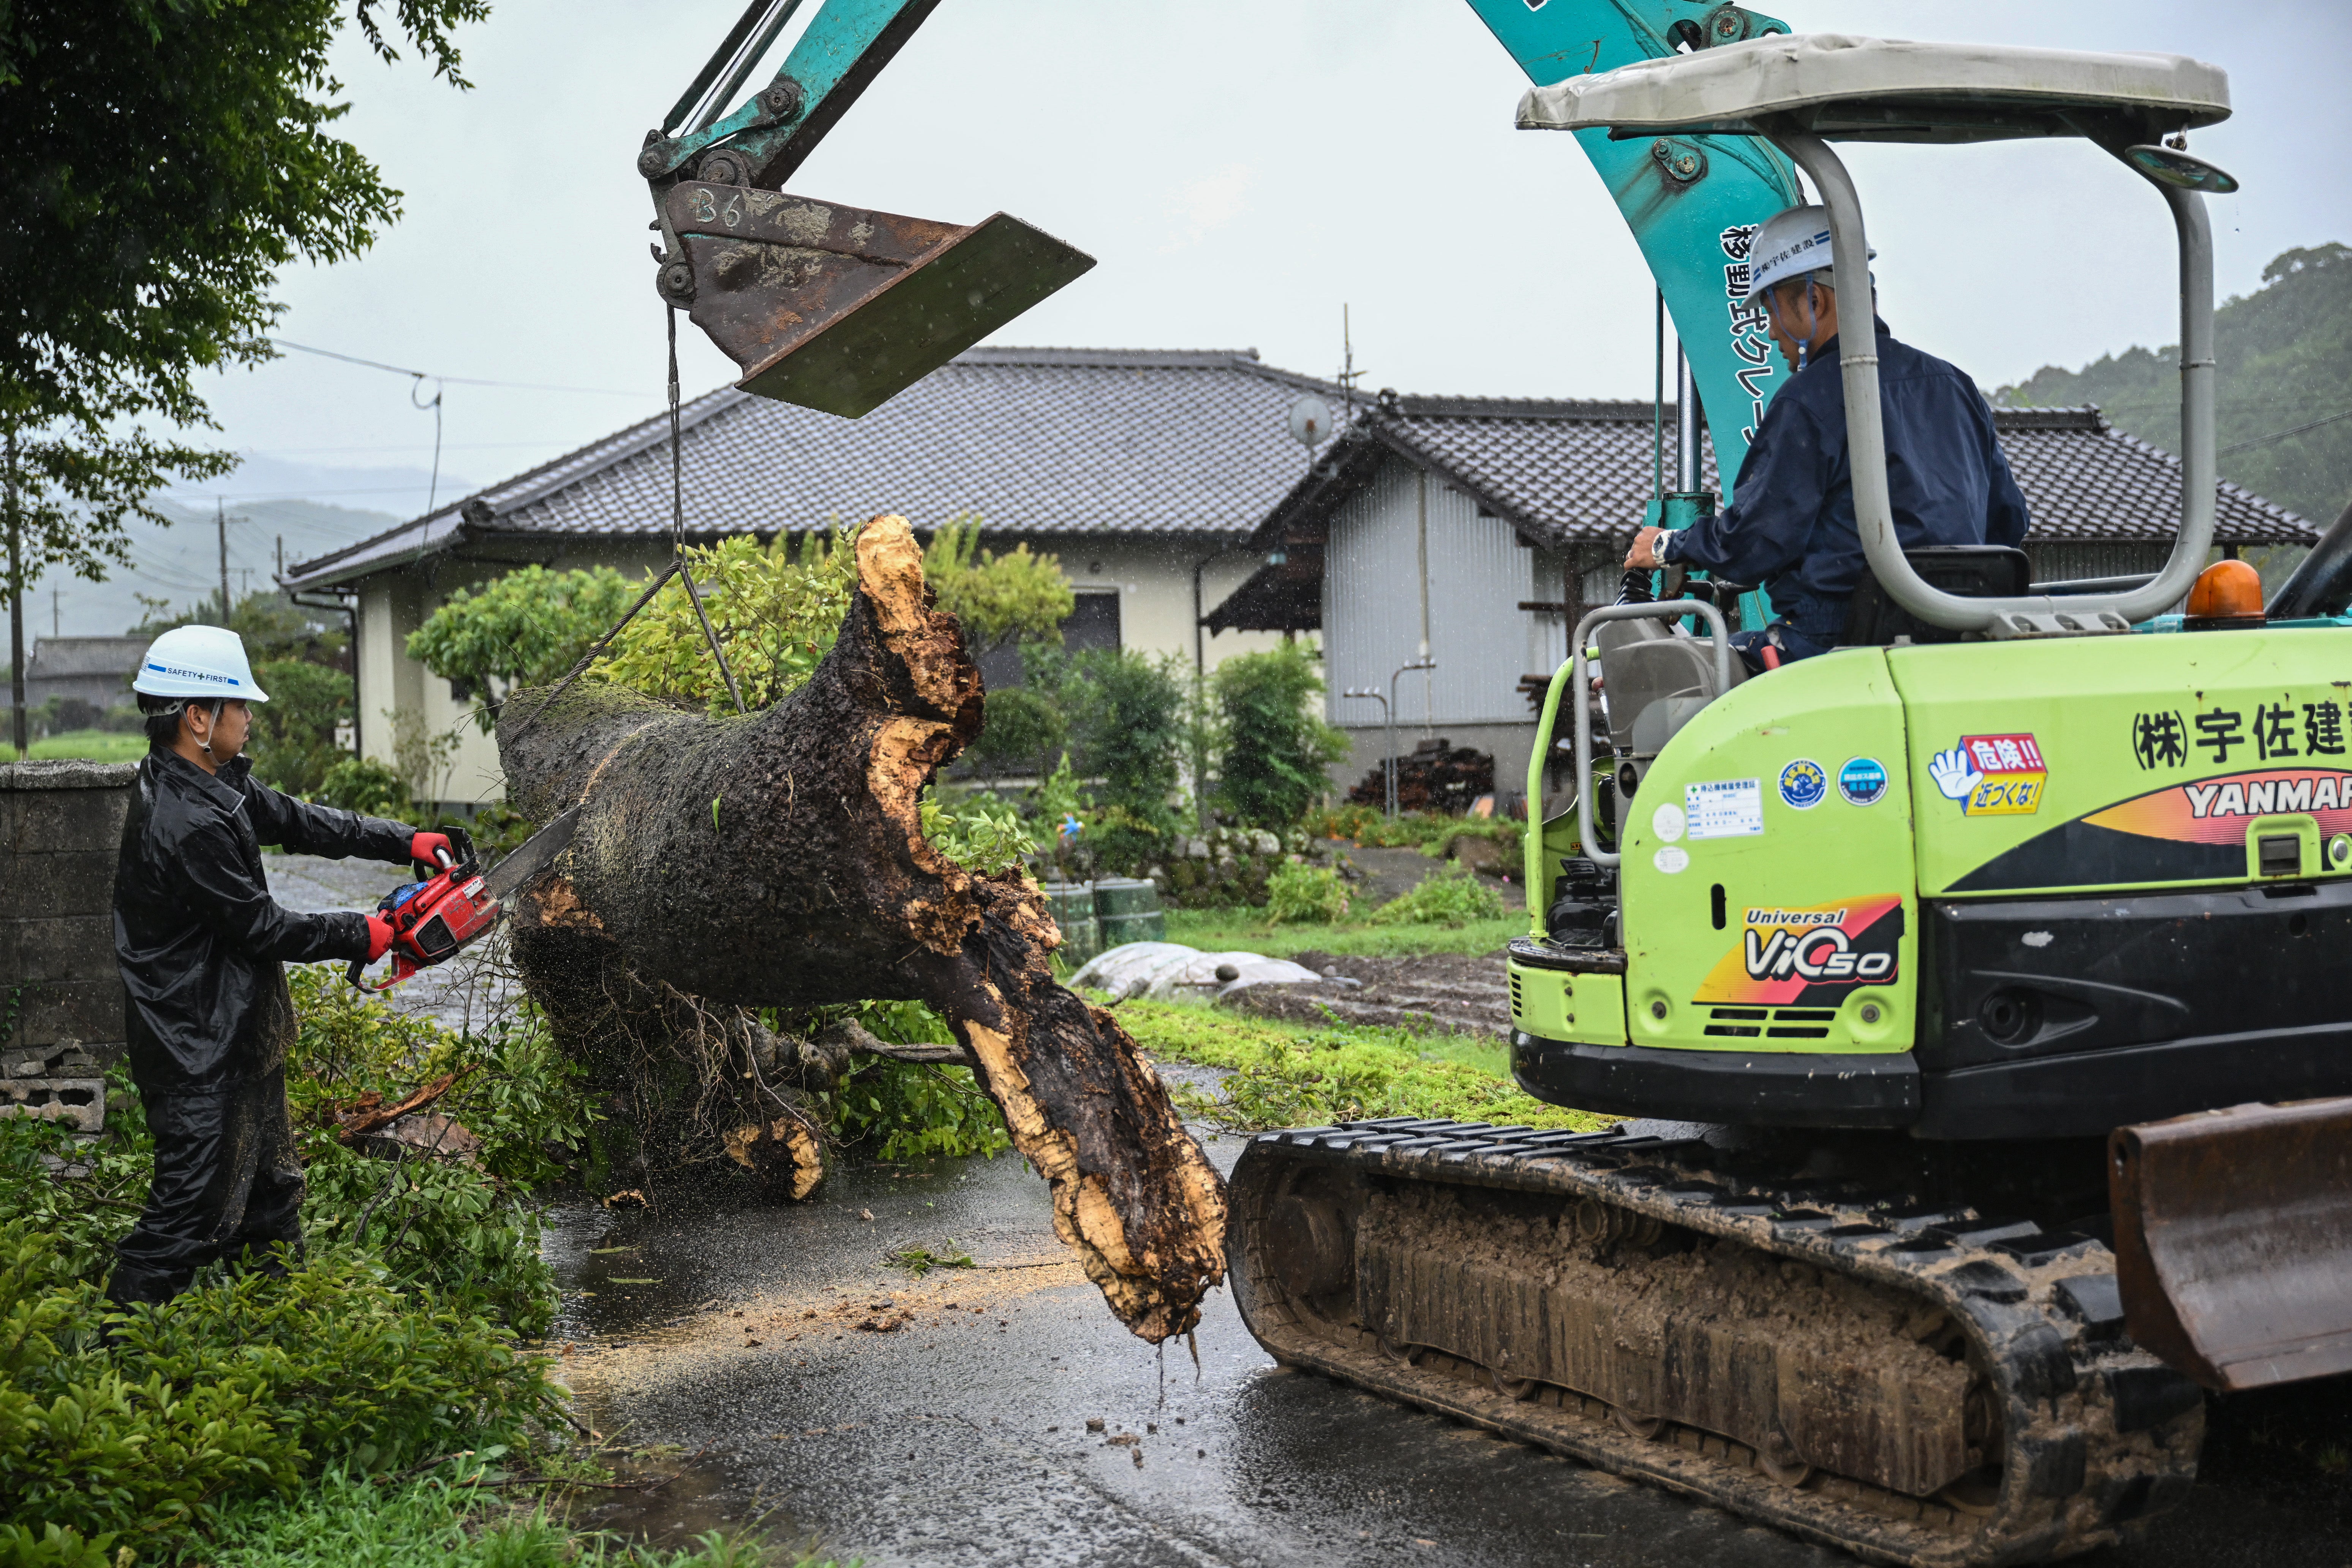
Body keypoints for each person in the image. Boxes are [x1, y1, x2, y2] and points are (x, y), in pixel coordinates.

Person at [107, 624, 457, 1309]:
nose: (250, 717)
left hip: (237, 1035)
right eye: (239, 705)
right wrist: (366, 932)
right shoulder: (184, 819)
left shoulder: (212, 778)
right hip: (196, 1049)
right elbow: (261, 927)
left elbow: (299, 821)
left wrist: (403, 838)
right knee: (187, 1212)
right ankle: (120, 1348)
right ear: (197, 716)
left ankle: (278, 1324)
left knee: (271, 1192)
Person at [1626, 204, 2030, 669]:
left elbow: (1754, 544)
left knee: (1673, 674)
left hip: (1838, 642)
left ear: (1815, 302)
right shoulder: (1953, 385)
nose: (1772, 329)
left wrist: (1668, 545)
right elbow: (2008, 522)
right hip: (1959, 637)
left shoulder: (1809, 400)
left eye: (1772, 309)